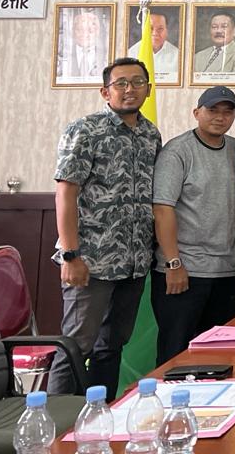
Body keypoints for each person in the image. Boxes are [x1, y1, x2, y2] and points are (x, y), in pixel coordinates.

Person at [49, 58, 160, 398]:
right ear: (105, 91)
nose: (130, 89)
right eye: (121, 83)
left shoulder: (150, 135)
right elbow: (66, 192)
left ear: (148, 89)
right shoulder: (85, 130)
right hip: (91, 261)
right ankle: (55, 423)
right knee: (75, 346)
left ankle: (101, 413)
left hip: (133, 262)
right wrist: (70, 254)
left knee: (111, 346)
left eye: (138, 82)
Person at [151, 86, 235, 363]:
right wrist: (173, 263)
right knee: (175, 353)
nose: (220, 117)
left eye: (228, 112)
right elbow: (162, 209)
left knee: (216, 358)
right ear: (196, 113)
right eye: (212, 110)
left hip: (225, 270)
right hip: (184, 271)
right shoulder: (178, 151)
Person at [126, 11, 180, 82]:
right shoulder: (131, 54)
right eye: (150, 28)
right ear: (143, 29)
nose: (155, 33)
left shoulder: (178, 55)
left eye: (160, 29)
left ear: (166, 31)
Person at [58, 8, 108, 82]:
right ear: (73, 31)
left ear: (97, 32)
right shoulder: (63, 52)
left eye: (90, 31)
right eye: (80, 30)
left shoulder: (106, 54)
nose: (85, 35)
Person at [193, 10, 235, 77]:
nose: (218, 31)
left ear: (234, 31)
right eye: (214, 27)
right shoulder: (198, 56)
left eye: (224, 27)